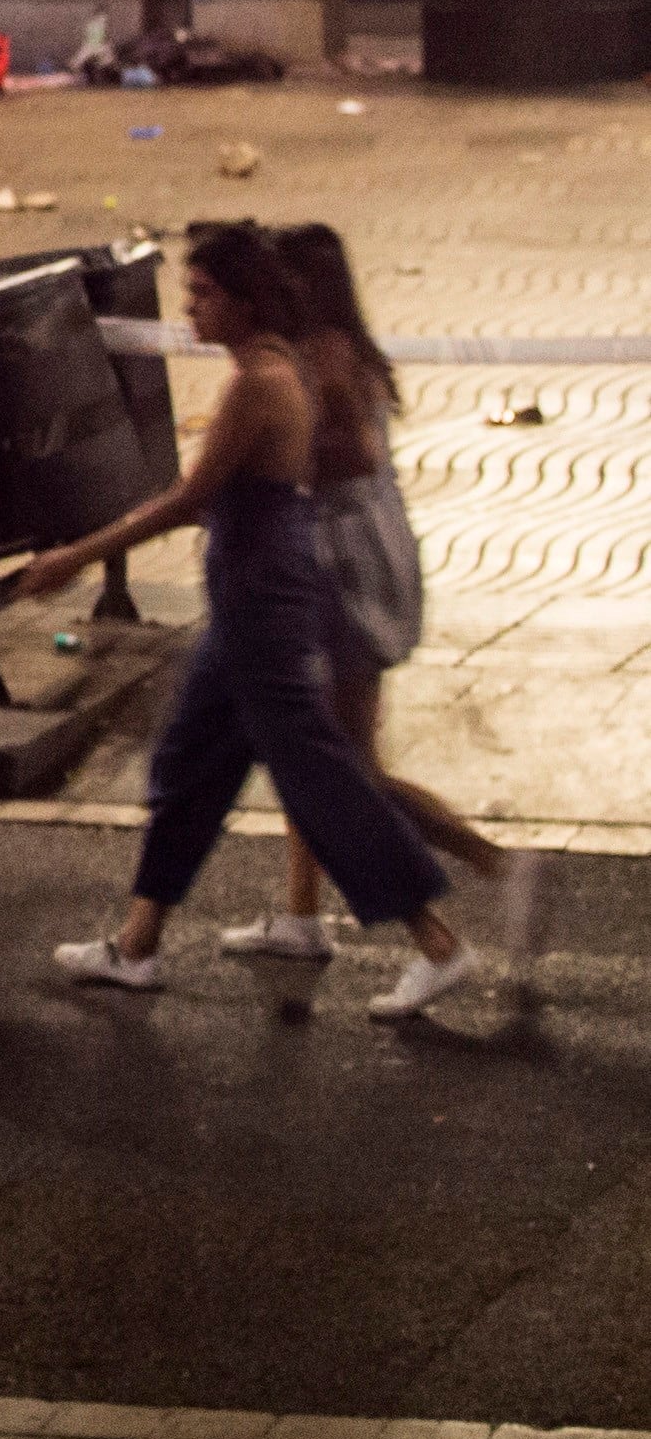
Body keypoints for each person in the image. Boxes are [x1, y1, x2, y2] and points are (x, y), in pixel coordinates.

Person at [18, 222, 477, 1018]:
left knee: (321, 778)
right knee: (191, 763)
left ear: (241, 300)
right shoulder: (275, 368)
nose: (188, 306)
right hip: (248, 599)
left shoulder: (259, 382)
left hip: (262, 604)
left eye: (202, 292)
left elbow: (188, 501)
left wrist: (76, 555)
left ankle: (437, 942)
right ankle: (135, 945)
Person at [215, 224, 537, 966]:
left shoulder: (321, 352)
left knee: (341, 764)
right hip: (358, 551)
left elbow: (352, 449)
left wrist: (266, 458)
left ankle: (493, 863)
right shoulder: (335, 347)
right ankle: (300, 915)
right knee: (310, 745)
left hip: (342, 563)